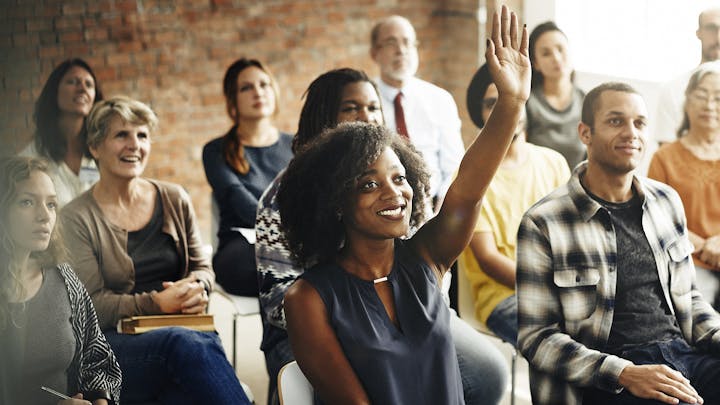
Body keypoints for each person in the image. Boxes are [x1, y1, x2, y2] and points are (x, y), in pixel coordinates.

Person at [277, 6, 528, 403]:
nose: (394, 194)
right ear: (336, 200)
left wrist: (511, 102)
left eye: (399, 178)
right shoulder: (308, 298)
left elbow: (468, 190)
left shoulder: (426, 256)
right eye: (369, 184)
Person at [516, 82, 720, 405]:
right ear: (585, 134)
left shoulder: (666, 201)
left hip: (683, 356)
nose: (631, 133)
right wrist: (624, 373)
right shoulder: (544, 222)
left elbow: (690, 300)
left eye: (639, 123)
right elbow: (537, 338)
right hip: (608, 376)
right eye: (615, 121)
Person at [61, 96, 251, 404]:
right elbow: (91, 306)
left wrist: (197, 288)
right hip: (114, 348)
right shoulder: (76, 218)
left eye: (142, 135)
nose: (134, 145)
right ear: (95, 147)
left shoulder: (175, 197)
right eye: (121, 135)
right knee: (187, 346)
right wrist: (156, 303)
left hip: (185, 334)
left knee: (182, 394)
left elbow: (203, 268)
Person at [459, 63, 570, 346]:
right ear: (479, 113)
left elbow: (573, 233)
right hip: (504, 298)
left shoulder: (553, 162)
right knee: (564, 345)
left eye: (511, 101)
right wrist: (548, 288)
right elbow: (488, 258)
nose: (504, 110)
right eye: (492, 103)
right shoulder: (471, 177)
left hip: (562, 288)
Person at [0, 156, 121, 405]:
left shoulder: (63, 277)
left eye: (51, 204)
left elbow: (97, 358)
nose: (44, 216)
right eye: (27, 202)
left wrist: (101, 399)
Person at [203, 58, 293, 297]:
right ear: (233, 99)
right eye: (247, 87)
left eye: (264, 84)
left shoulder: (296, 145)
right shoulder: (216, 150)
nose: (258, 92)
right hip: (242, 248)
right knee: (277, 267)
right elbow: (241, 203)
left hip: (293, 240)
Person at [370, 14, 465, 206]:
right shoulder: (366, 100)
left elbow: (454, 166)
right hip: (382, 204)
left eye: (408, 42)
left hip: (433, 206)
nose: (401, 50)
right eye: (391, 43)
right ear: (374, 53)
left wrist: (443, 207)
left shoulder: (440, 99)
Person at [649, 62, 720, 309]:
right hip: (686, 260)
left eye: (718, 98)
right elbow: (655, 218)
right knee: (699, 320)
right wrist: (702, 246)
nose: (710, 105)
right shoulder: (664, 157)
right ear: (687, 102)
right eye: (702, 96)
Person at [20, 59, 103, 207]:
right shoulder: (31, 158)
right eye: (72, 81)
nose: (82, 89)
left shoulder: (103, 150)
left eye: (89, 84)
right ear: (54, 92)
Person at [526, 21, 586, 169]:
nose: (556, 58)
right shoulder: (528, 103)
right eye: (546, 53)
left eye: (561, 49)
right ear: (536, 63)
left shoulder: (586, 101)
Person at [655, 7, 720, 144]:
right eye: (711, 28)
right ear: (699, 33)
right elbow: (667, 159)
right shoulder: (673, 90)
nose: (718, 36)